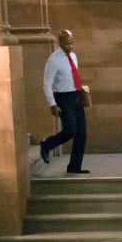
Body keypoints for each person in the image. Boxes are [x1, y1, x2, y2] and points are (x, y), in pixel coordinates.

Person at [39, 30, 88, 174]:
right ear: (60, 43)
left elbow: (72, 76)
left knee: (82, 135)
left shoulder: (73, 56)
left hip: (76, 96)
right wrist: (52, 104)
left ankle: (74, 166)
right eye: (67, 43)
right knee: (70, 130)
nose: (70, 46)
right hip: (63, 98)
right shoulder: (54, 60)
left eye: (72, 42)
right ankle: (47, 144)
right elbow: (47, 83)